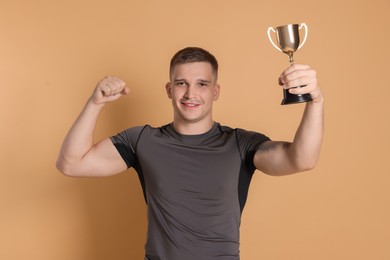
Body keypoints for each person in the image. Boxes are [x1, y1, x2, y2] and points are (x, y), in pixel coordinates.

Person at [56, 47, 324, 260]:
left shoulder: (240, 143)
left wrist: (315, 102)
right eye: (182, 83)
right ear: (169, 90)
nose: (191, 93)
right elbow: (71, 163)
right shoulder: (142, 140)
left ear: (215, 91)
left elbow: (301, 159)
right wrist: (95, 104)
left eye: (202, 84)